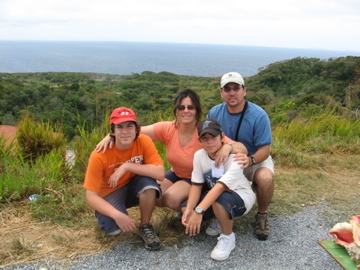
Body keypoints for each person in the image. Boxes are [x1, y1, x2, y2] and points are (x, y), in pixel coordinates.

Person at [96, 89, 247, 212]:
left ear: (197, 110)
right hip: (176, 173)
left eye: (190, 107)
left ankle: (197, 206)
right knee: (154, 195)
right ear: (176, 111)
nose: (186, 111)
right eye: (181, 107)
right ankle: (188, 207)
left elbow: (242, 148)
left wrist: (228, 147)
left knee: (171, 198)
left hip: (196, 179)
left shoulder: (204, 132)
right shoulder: (169, 128)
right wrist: (111, 136)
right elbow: (134, 131)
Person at [84, 107, 165, 251]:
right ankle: (106, 210)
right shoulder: (99, 155)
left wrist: (127, 166)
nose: (125, 131)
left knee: (149, 185)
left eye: (129, 126)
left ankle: (145, 226)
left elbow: (160, 173)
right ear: (113, 131)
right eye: (119, 127)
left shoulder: (143, 141)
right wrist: (116, 215)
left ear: (136, 129)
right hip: (110, 192)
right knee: (114, 229)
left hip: (133, 185)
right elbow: (91, 197)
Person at [206, 72, 274, 241]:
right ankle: (215, 213)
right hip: (227, 160)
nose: (232, 93)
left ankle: (261, 215)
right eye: (227, 89)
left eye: (236, 88)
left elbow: (265, 149)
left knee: (265, 177)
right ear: (221, 93)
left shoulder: (258, 115)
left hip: (253, 158)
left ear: (244, 90)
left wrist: (251, 160)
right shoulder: (215, 112)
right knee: (208, 173)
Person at [182, 119, 255, 261]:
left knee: (219, 201)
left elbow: (221, 187)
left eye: (213, 137)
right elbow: (196, 185)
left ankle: (228, 237)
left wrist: (199, 211)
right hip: (216, 195)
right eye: (205, 138)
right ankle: (219, 219)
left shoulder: (235, 158)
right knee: (184, 207)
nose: (210, 142)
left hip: (240, 196)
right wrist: (190, 208)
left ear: (222, 137)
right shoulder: (199, 156)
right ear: (200, 141)